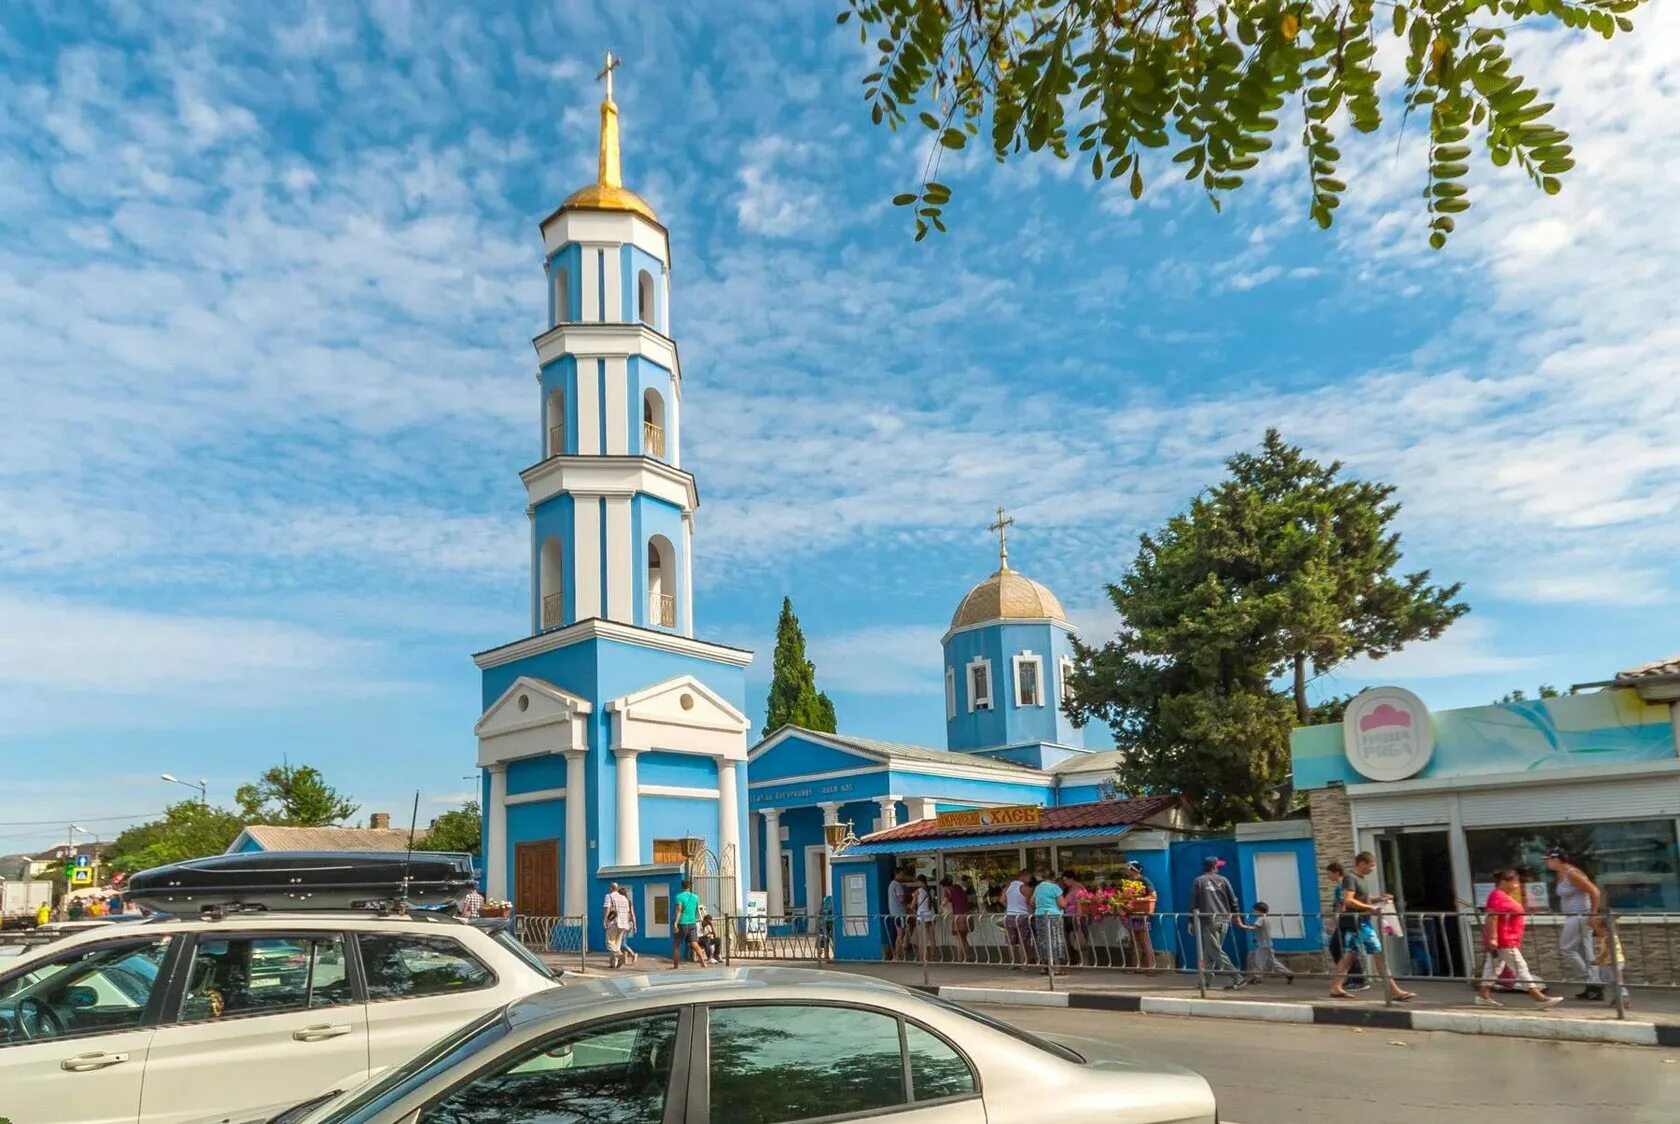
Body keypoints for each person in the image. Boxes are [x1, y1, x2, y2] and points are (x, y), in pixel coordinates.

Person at [1328, 852, 1416, 1001]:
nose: (1373, 869)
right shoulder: (1350, 878)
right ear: (1362, 863)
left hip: (1359, 922)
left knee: (1350, 956)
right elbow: (1349, 901)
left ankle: (1336, 987)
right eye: (1371, 865)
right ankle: (1394, 991)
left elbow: (1363, 899)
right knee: (1378, 953)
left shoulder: (1361, 879)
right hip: (1357, 923)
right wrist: (1370, 908)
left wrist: (1379, 899)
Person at [1476, 869, 1564, 1009]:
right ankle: (1538, 997)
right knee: (1520, 967)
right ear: (1504, 882)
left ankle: (1483, 995)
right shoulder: (1497, 896)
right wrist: (1493, 938)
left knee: (1493, 968)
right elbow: (1492, 917)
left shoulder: (1504, 895)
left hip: (1507, 938)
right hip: (1505, 939)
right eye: (1514, 881)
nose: (1517, 884)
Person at [1546, 848, 1604, 1000]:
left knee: (1566, 948)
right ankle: (1594, 987)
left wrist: (1592, 914)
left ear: (1556, 859)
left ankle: (1589, 978)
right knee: (1586, 952)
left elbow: (1595, 892)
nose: (1547, 862)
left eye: (1548, 859)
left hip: (1579, 916)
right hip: (1573, 916)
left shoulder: (1572, 873)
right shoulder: (1561, 874)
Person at [1190, 856, 1245, 990]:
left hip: (1209, 919)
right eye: (1218, 865)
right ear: (1214, 866)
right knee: (1210, 951)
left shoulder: (1199, 881)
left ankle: (1237, 977)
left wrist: (1191, 920)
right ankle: (1205, 981)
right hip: (1224, 919)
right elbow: (1233, 900)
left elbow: (1194, 902)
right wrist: (1237, 916)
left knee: (1214, 951)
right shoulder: (1224, 880)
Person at [1323, 861, 1367, 991]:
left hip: (1345, 922)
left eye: (1329, 873)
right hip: (1347, 921)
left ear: (1336, 872)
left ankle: (1356, 979)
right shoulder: (1344, 884)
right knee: (1345, 949)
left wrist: (1334, 924)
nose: (1328, 876)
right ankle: (1352, 978)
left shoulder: (1341, 886)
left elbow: (1341, 905)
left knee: (1340, 949)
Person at [1236, 901, 1294, 984]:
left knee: (1258, 961)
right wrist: (1256, 938)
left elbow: (1255, 928)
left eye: (1255, 911)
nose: (1254, 912)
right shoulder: (1266, 918)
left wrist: (1242, 926)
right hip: (1267, 944)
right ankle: (1288, 973)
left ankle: (1257, 977)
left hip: (1263, 945)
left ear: (1259, 911)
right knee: (1272, 961)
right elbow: (1262, 931)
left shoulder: (1260, 919)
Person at [1121, 861, 1157, 971]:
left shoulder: (1144, 880)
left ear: (1134, 870)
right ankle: (1138, 966)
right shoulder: (1128, 882)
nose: (1126, 871)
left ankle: (1151, 967)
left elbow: (1153, 896)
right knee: (1134, 941)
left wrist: (1140, 899)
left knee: (1144, 940)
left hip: (1141, 915)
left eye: (1128, 869)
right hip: (1132, 914)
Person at [1589, 913, 1629, 1008]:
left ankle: (1624, 999)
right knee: (1613, 981)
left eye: (1598, 928)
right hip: (1613, 962)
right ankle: (1618, 998)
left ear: (1605, 928)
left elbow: (1607, 952)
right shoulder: (1609, 936)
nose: (1596, 930)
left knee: (1616, 981)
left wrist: (1599, 960)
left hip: (1614, 962)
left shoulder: (1608, 938)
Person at [1031, 868, 1067, 973]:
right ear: (1053, 877)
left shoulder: (1038, 888)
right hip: (1054, 916)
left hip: (1040, 916)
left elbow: (1032, 902)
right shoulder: (1055, 887)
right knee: (1055, 939)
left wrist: (1042, 906)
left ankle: (1044, 966)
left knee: (1042, 940)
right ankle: (1056, 967)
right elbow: (1062, 904)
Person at [671, 880, 709, 968]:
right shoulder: (695, 897)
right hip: (692, 923)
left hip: (682, 923)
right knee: (695, 943)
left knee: (676, 945)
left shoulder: (679, 897)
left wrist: (675, 923)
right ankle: (703, 963)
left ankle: (675, 966)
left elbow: (678, 911)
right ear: (689, 887)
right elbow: (696, 909)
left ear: (682, 887)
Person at [1003, 868, 1036, 968]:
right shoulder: (1026, 888)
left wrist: (1010, 908)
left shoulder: (1009, 885)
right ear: (1023, 876)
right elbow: (1029, 903)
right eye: (1029, 878)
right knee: (1023, 941)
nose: (1030, 880)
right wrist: (1032, 913)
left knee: (1011, 942)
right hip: (1022, 916)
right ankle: (1023, 963)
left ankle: (1012, 963)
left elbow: (1002, 900)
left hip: (1009, 916)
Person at [603, 883, 637, 969]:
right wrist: (632, 924)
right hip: (624, 924)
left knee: (609, 943)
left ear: (611, 888)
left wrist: (605, 920)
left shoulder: (609, 896)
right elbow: (628, 912)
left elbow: (607, 908)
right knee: (617, 944)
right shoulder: (624, 898)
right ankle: (614, 964)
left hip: (613, 923)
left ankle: (620, 955)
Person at [941, 876, 973, 963]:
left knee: (959, 938)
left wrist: (945, 911)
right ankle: (965, 957)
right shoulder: (959, 888)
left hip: (958, 916)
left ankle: (963, 957)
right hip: (967, 914)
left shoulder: (948, 890)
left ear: (944, 886)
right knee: (963, 938)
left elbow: (943, 903)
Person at [884, 868, 910, 961]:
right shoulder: (898, 885)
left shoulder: (891, 884)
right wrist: (908, 898)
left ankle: (897, 955)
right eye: (903, 873)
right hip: (900, 913)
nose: (904, 876)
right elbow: (901, 899)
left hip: (894, 913)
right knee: (900, 934)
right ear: (898, 873)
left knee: (899, 934)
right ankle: (897, 955)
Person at [910, 875, 937, 962]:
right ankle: (933, 958)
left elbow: (912, 905)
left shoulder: (918, 891)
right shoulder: (932, 891)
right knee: (931, 938)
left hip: (922, 916)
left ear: (919, 881)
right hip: (931, 915)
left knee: (921, 939)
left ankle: (923, 958)